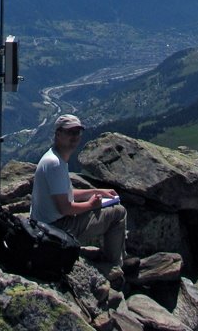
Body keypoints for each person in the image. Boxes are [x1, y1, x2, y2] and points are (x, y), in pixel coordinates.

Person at [30, 114, 127, 267]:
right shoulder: (55, 164)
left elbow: (65, 193)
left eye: (77, 132)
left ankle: (114, 257)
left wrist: (99, 192)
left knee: (110, 207)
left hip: (45, 224)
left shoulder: (55, 158)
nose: (75, 136)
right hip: (57, 228)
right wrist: (91, 205)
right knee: (118, 212)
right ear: (58, 134)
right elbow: (65, 208)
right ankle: (114, 263)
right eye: (70, 132)